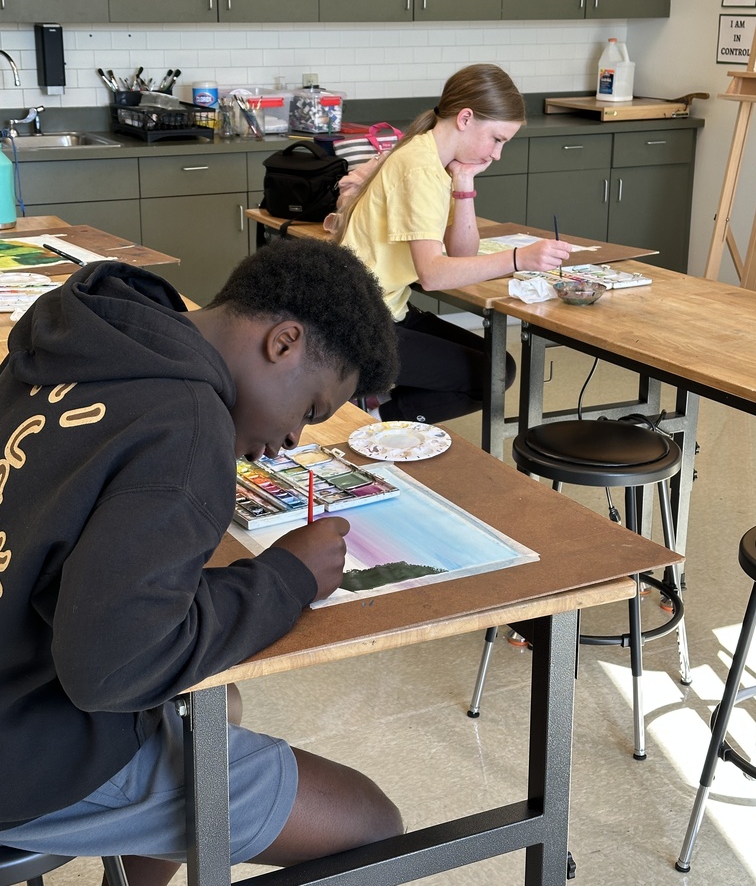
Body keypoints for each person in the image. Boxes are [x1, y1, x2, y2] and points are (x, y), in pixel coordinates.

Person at [0, 238, 403, 885]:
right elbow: (116, 670)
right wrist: (285, 578)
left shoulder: (84, 327)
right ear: (285, 342)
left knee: (223, 704)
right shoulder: (190, 427)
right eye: (311, 408)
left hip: (18, 670)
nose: (295, 438)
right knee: (369, 827)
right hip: (21, 742)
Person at [338, 63, 574, 425]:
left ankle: (376, 406)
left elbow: (463, 255)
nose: (497, 155)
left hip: (386, 308)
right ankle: (376, 418)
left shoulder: (435, 161)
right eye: (497, 139)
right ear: (465, 118)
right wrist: (519, 258)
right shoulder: (419, 168)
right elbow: (433, 275)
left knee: (496, 366)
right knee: (493, 375)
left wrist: (463, 183)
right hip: (360, 322)